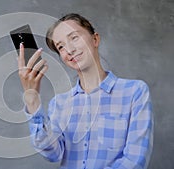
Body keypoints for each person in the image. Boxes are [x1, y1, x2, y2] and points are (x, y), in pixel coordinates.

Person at [17, 13, 153, 169]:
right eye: (61, 46)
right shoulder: (60, 103)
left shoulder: (134, 92)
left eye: (74, 38)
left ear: (95, 39)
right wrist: (32, 98)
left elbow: (134, 161)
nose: (69, 49)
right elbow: (52, 154)